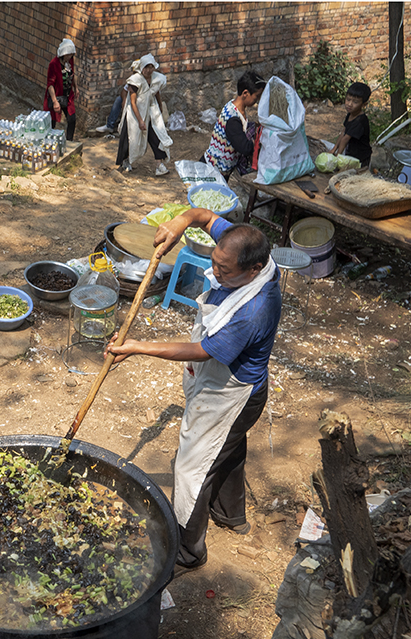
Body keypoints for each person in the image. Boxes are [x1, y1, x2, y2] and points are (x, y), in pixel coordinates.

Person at [105, 209, 280, 571]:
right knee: (227, 449)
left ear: (254, 269)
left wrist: (138, 347)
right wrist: (180, 222)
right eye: (215, 262)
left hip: (232, 395)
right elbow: (203, 215)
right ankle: (230, 515)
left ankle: (188, 551)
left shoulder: (254, 310)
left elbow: (202, 351)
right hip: (228, 384)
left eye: (224, 271)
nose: (215, 271)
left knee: (192, 469)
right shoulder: (238, 244)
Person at [116, 53, 172, 175]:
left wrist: (160, 106)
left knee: (156, 136)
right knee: (130, 137)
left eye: (151, 67)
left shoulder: (156, 79)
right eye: (146, 67)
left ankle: (159, 165)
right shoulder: (135, 80)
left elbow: (156, 92)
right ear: (142, 68)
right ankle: (125, 161)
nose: (149, 70)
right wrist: (140, 120)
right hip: (135, 113)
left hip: (150, 111)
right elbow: (133, 102)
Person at [203, 70, 266, 177]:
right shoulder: (232, 118)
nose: (257, 100)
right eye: (257, 96)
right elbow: (245, 148)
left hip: (218, 168)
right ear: (245, 93)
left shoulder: (234, 106)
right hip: (214, 171)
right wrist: (261, 143)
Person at [44, 38, 78, 141]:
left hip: (67, 96)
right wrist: (55, 101)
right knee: (52, 121)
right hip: (57, 95)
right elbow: (50, 85)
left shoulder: (70, 61)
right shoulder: (53, 64)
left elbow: (72, 74)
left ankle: (69, 141)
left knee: (72, 119)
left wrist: (76, 87)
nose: (70, 57)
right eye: (68, 55)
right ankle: (48, 141)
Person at [331, 82, 372, 168]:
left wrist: (337, 156)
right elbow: (344, 131)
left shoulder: (360, 121)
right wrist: (334, 149)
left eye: (355, 102)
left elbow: (345, 139)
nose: (349, 104)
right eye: (348, 99)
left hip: (361, 158)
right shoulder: (351, 114)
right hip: (351, 153)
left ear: (364, 104)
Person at [96, 60, 141, 134]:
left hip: (140, 101)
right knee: (119, 100)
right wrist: (124, 100)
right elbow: (124, 91)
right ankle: (110, 125)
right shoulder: (132, 79)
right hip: (131, 100)